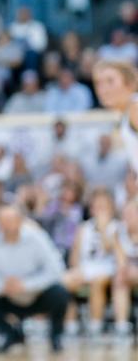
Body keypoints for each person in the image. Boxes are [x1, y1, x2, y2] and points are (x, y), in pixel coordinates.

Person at [0, 205, 69, 353]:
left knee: (60, 293)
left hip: (37, 295)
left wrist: (26, 285)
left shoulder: (37, 237)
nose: (7, 224)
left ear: (20, 221)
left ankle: (56, 336)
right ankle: (10, 334)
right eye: (2, 221)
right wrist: (1, 286)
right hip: (5, 295)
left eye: (10, 220)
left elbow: (56, 269)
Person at [62, 188, 118, 338]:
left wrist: (103, 228)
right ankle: (70, 325)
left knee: (97, 282)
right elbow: (74, 256)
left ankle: (95, 325)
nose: (99, 210)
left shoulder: (115, 227)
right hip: (86, 268)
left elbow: (108, 249)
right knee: (65, 281)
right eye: (96, 206)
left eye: (103, 206)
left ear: (111, 208)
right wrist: (76, 270)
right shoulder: (83, 227)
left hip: (107, 268)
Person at [93, 60, 138, 173]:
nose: (103, 89)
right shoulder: (127, 112)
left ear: (130, 83)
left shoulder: (135, 108)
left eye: (110, 81)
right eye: (98, 83)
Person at [112, 200, 138, 339]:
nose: (126, 218)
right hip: (128, 273)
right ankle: (121, 327)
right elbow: (120, 259)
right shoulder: (118, 233)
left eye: (130, 214)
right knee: (120, 279)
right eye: (125, 214)